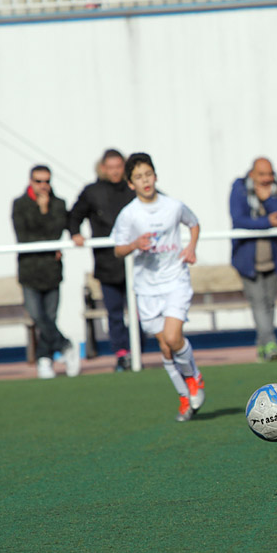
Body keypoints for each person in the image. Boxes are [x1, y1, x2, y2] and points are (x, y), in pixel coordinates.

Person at [111, 152, 205, 422]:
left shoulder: (173, 206)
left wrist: (191, 247)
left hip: (175, 280)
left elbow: (194, 223)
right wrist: (134, 244)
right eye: (139, 177)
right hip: (147, 288)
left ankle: (194, 378)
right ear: (131, 183)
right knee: (165, 348)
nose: (145, 181)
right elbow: (118, 249)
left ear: (155, 176)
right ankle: (184, 396)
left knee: (174, 338)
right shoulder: (129, 215)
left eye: (148, 175)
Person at [68, 149, 136, 371]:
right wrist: (75, 233)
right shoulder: (92, 192)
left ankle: (137, 351)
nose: (115, 171)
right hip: (107, 264)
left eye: (119, 167)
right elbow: (74, 216)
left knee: (141, 314)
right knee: (115, 314)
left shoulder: (133, 189)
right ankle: (122, 355)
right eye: (111, 167)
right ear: (103, 168)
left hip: (136, 263)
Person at [12, 165, 81, 379]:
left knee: (50, 317)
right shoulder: (20, 204)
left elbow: (56, 232)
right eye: (38, 181)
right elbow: (24, 236)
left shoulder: (58, 204)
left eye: (46, 181)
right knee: (37, 316)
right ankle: (66, 346)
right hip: (30, 270)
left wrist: (45, 211)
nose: (43, 186)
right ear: (30, 182)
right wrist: (42, 214)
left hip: (51, 271)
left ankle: (44, 359)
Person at [230, 157, 277, 362]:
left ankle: (262, 346)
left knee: (269, 303)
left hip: (272, 258)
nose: (266, 179)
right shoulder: (239, 189)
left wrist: (267, 200)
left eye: (270, 174)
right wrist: (266, 222)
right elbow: (238, 219)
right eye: (262, 174)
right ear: (252, 174)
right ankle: (272, 344)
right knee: (258, 303)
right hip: (247, 259)